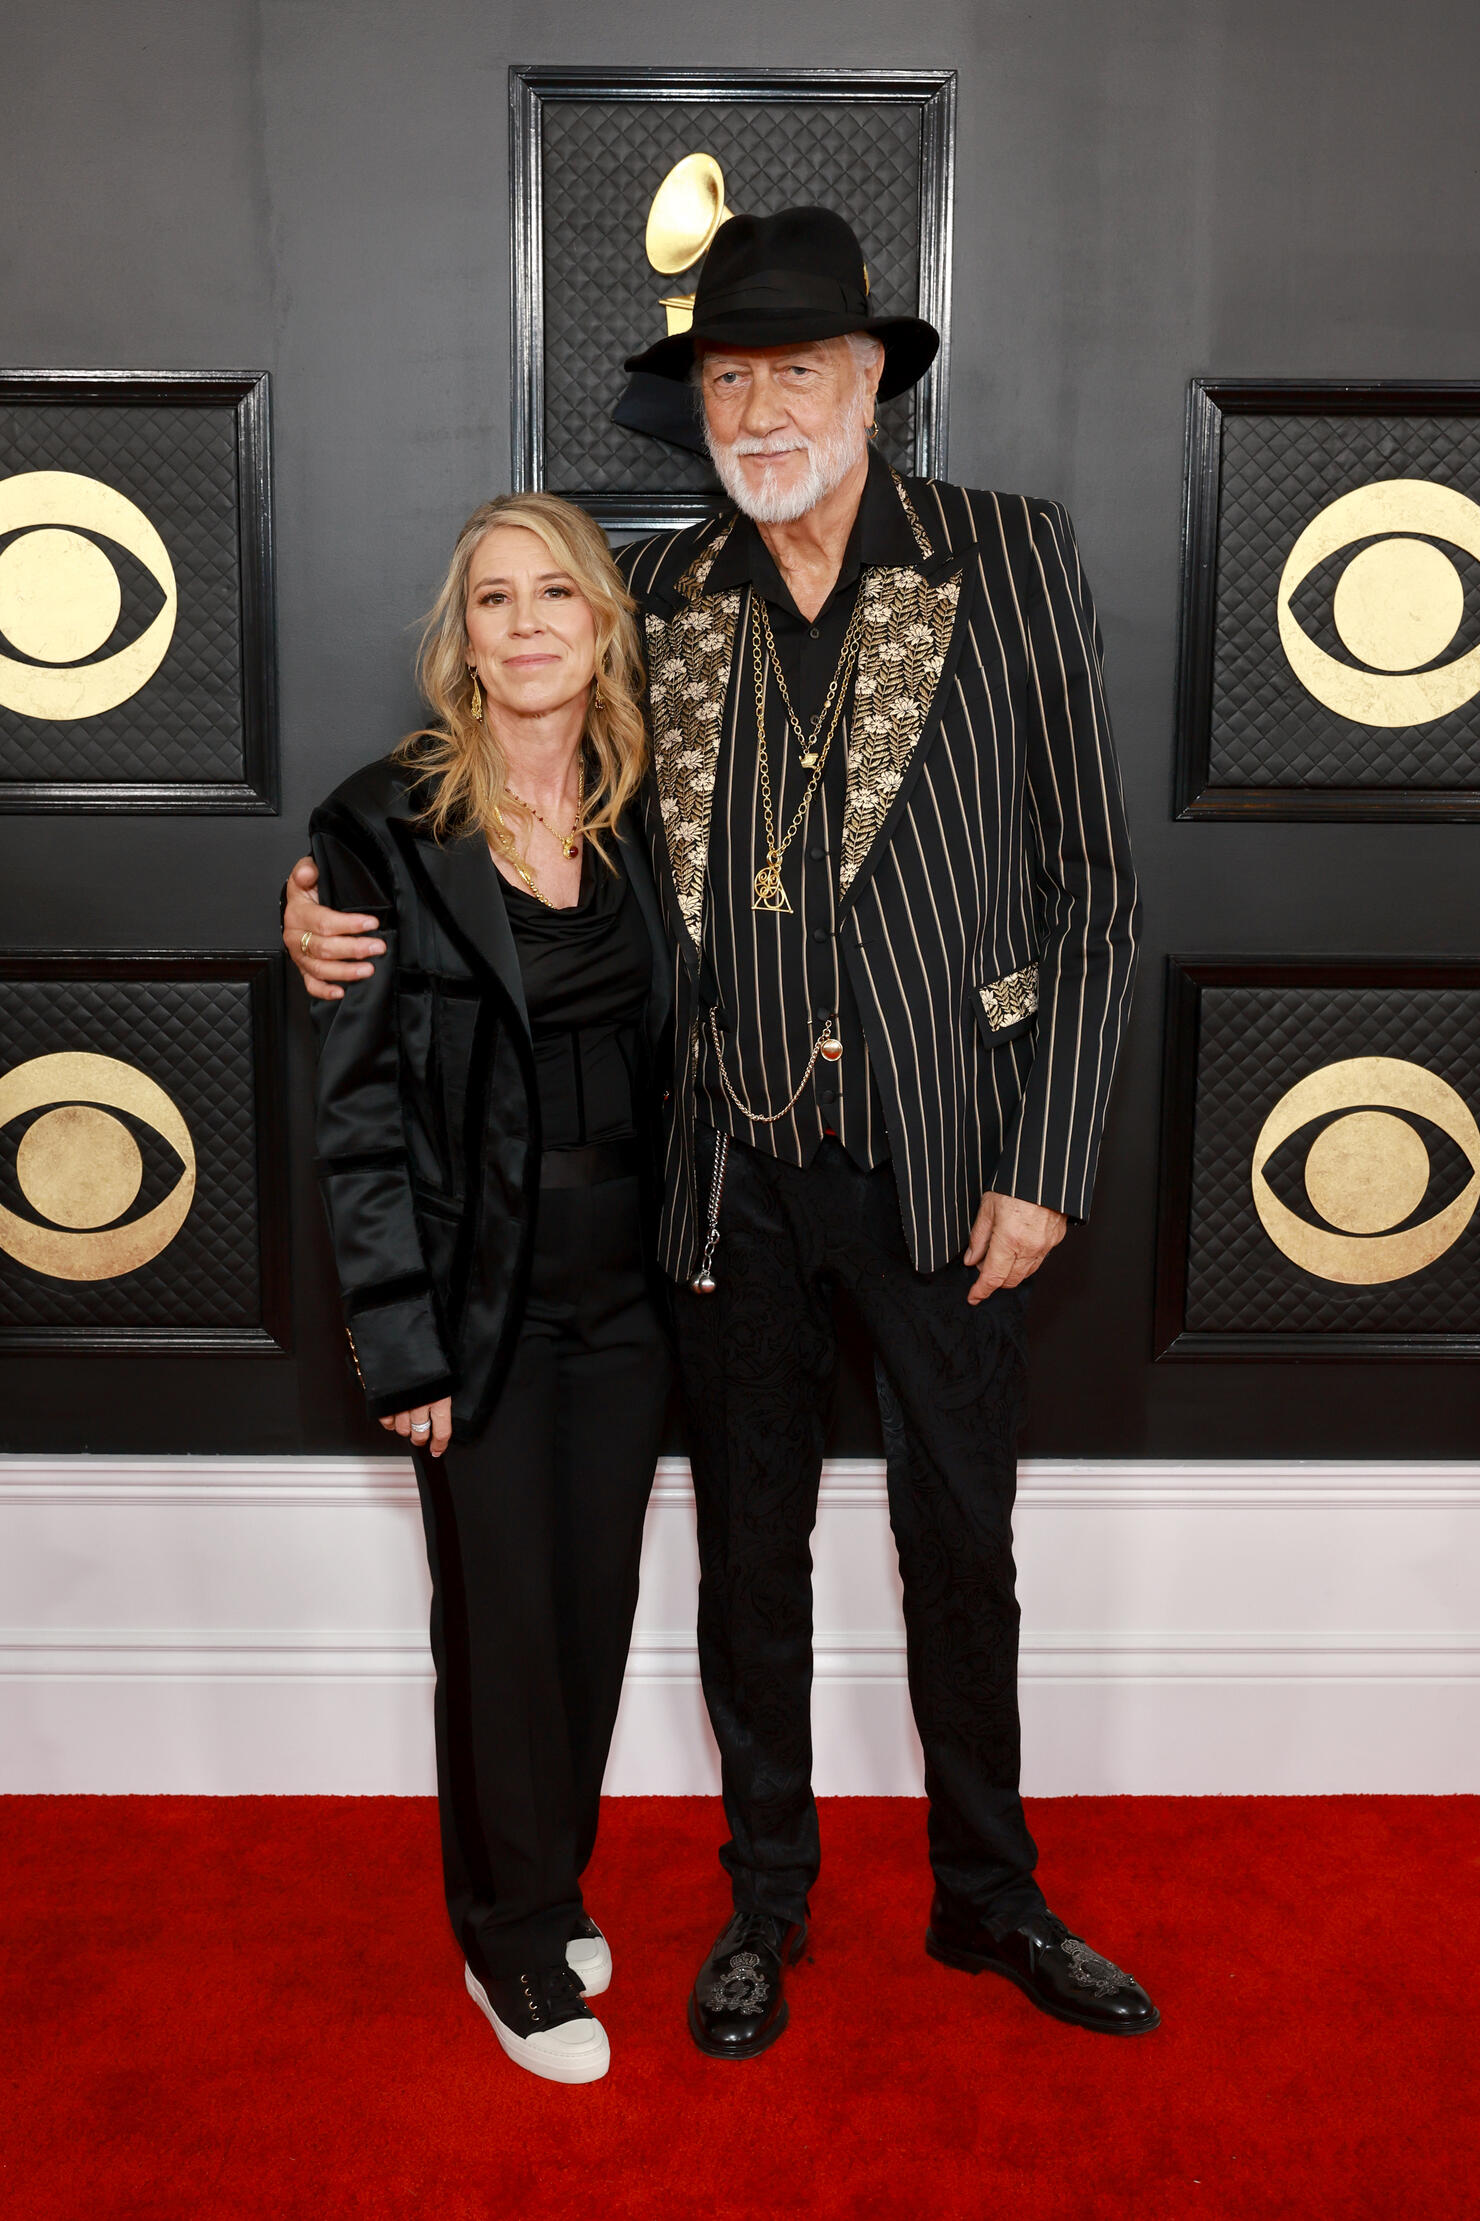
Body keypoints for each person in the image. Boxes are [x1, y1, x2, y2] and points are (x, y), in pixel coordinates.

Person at [287, 207, 1158, 2059]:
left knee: (962, 1542)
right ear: (700, 407)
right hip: (725, 1176)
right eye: (730, 378)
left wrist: (1051, 1154)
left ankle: (989, 1895)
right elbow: (491, 825)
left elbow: (1090, 887)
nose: (763, 407)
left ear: (872, 385)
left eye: (799, 372)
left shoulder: (1008, 557)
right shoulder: (660, 598)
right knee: (747, 1549)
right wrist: (320, 910)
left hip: (949, 1164)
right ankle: (770, 1903)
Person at [306, 491, 672, 2085]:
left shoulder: (662, 811)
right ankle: (511, 1939)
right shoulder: (380, 827)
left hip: (645, 1293)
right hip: (481, 1300)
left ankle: (549, 1875)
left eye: (553, 597)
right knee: (504, 1623)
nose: (523, 625)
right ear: (462, 639)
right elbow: (361, 1116)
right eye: (491, 601)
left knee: (592, 1615)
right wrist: (404, 1343)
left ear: (602, 625)